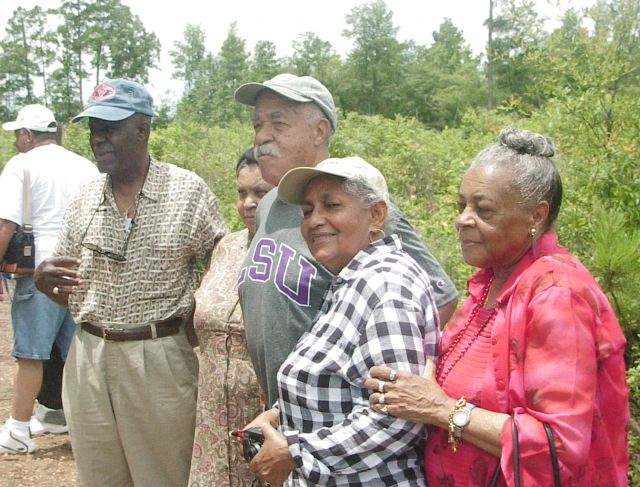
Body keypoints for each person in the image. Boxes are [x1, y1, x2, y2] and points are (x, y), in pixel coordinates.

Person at [365, 127, 629, 487]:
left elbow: (559, 444)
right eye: (461, 206)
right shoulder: (490, 283)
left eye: (483, 209)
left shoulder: (556, 295)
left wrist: (440, 409)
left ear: (536, 216)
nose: (463, 220)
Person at [33, 79, 228, 487]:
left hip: (158, 359)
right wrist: (42, 278)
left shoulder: (186, 191)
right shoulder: (85, 197)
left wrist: (188, 332)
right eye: (93, 130)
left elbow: (222, 271)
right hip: (87, 355)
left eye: (109, 128)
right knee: (99, 475)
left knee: (164, 476)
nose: (98, 139)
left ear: (142, 129)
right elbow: (60, 273)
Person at [233, 73, 458, 409]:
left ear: (319, 131)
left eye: (278, 124)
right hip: (282, 415)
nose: (262, 137)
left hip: (340, 425)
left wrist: (368, 385)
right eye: (257, 125)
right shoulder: (267, 206)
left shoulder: (357, 205)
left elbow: (439, 298)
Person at [248, 156, 439, 486]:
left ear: (376, 214)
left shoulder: (386, 286)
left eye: (332, 205)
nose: (314, 221)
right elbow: (338, 381)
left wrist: (296, 453)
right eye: (307, 211)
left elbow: (398, 416)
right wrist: (279, 415)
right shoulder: (350, 280)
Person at [0, 104, 98, 454]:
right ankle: (76, 422)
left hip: (38, 271)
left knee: (31, 354)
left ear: (28, 134)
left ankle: (18, 431)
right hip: (81, 271)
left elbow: (6, 224)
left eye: (17, 134)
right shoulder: (85, 166)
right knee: (80, 354)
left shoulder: (21, 165)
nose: (15, 141)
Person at [189, 148, 274, 487]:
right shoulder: (226, 246)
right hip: (210, 416)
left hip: (260, 415)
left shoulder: (296, 249)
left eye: (261, 192)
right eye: (242, 193)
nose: (249, 203)